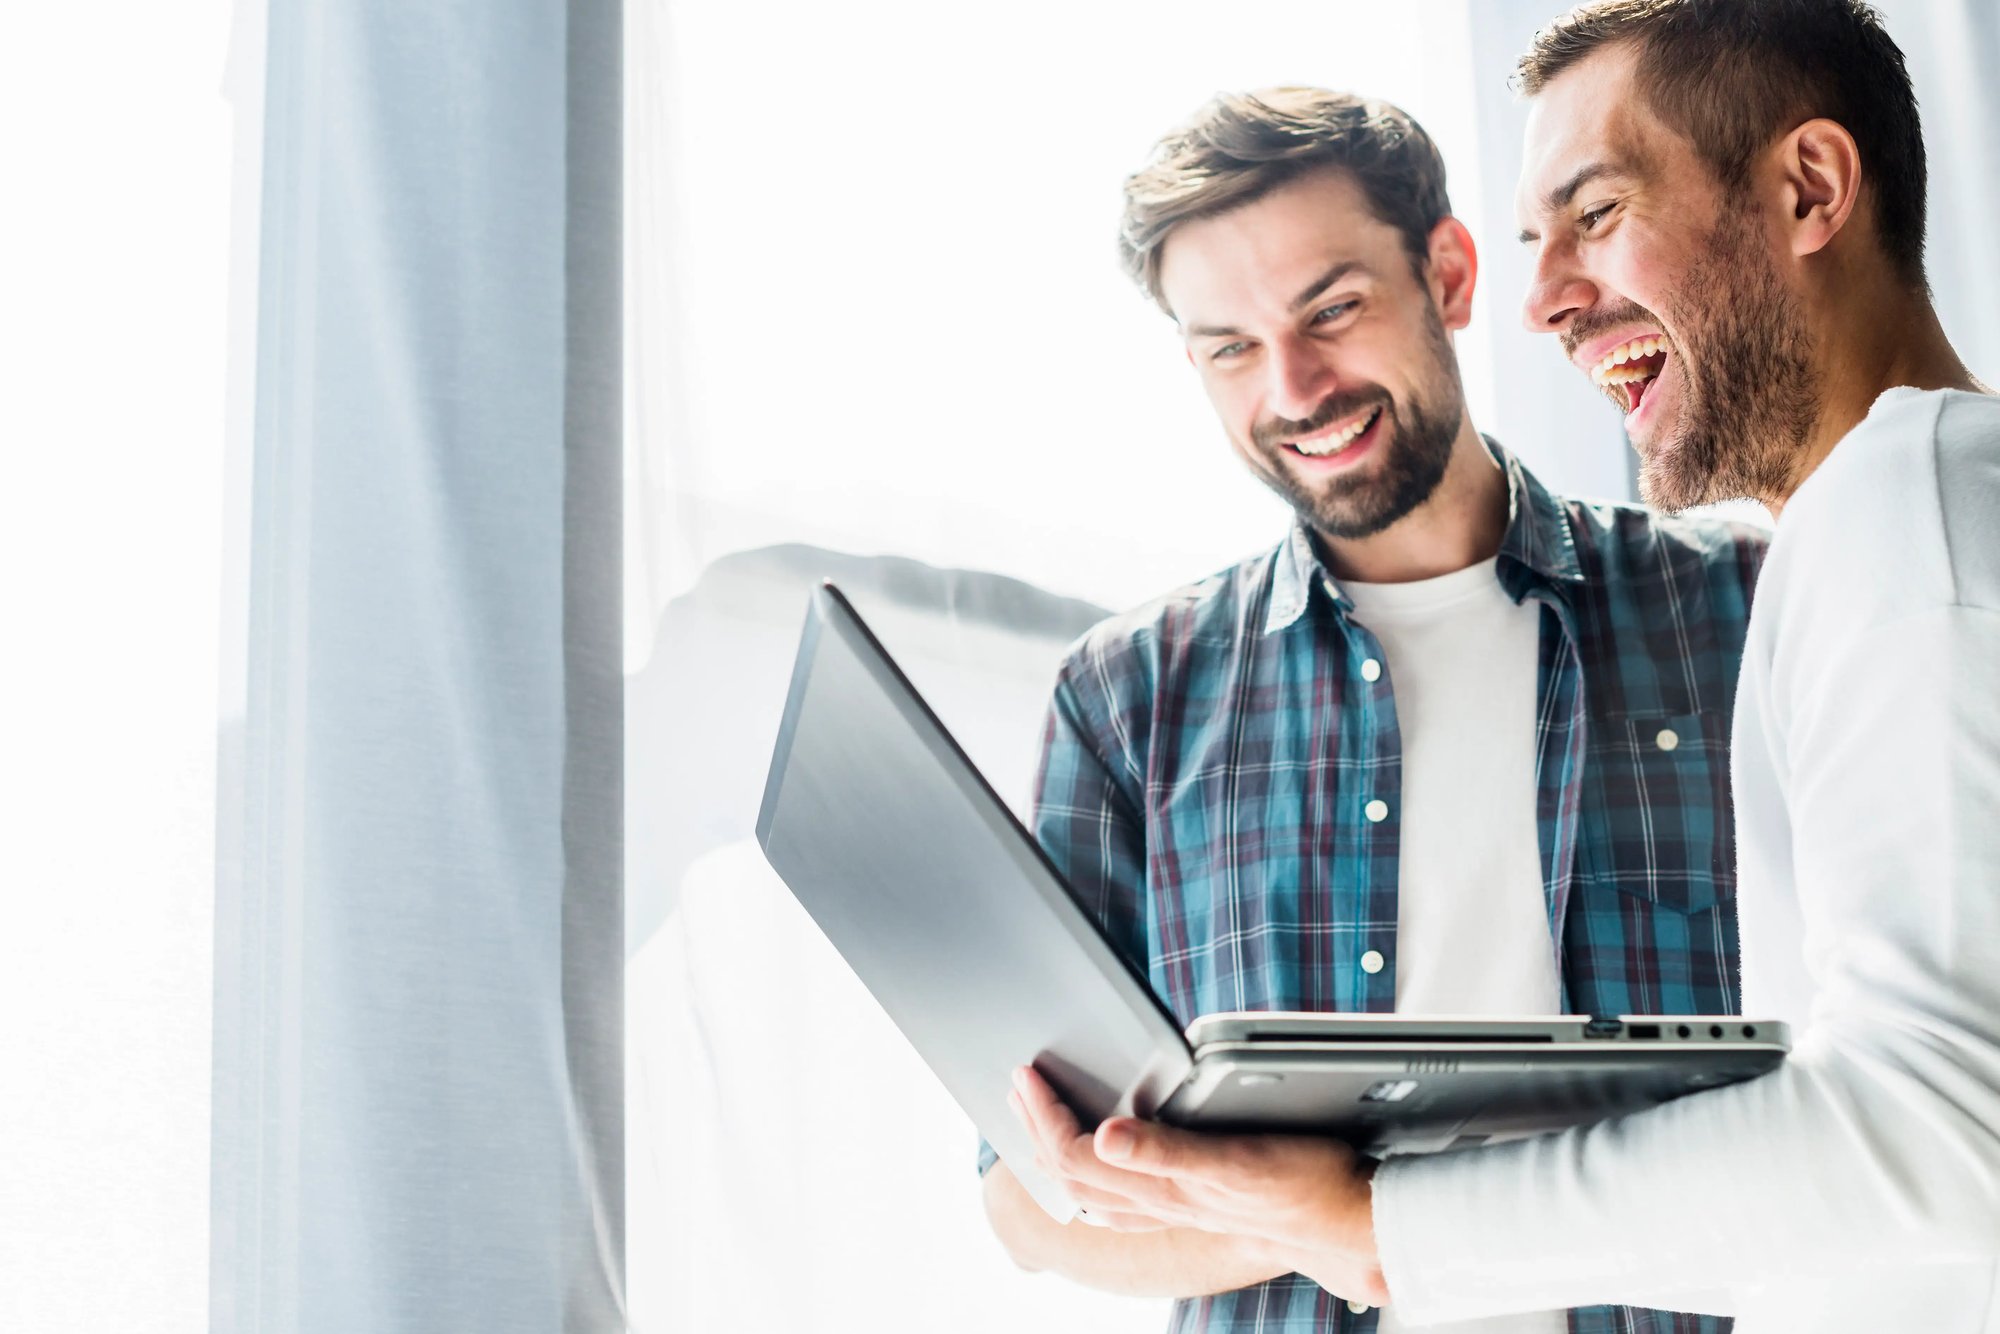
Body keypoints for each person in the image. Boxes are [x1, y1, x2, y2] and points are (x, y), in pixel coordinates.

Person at [1045, 4, 2000, 1332]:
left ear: (1809, 189)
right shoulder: (1127, 691)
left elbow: (1945, 1127)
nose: (1543, 298)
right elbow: (1830, 1206)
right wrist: (1365, 1222)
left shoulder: (1897, 517)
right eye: (1227, 346)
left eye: (1595, 213)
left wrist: (1380, 1222)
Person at [981, 86, 1767, 1334]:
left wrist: (1352, 1209)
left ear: (1446, 274)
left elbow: (1884, 1080)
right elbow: (1028, 1198)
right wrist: (1336, 1211)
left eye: (1331, 310)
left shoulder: (1739, 605)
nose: (1292, 388)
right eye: (1229, 348)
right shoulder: (1127, 695)